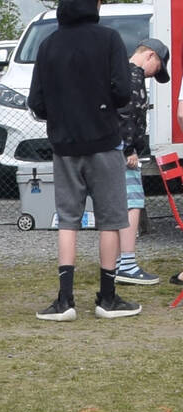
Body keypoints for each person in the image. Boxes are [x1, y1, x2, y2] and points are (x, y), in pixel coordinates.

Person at [27, 0, 139, 320]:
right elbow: (122, 92)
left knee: (68, 219)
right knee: (111, 219)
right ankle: (107, 298)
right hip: (104, 140)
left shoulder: (48, 44)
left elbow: (36, 101)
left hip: (64, 143)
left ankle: (65, 301)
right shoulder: (109, 40)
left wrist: (60, 116)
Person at [115, 38, 169, 286]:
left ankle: (116, 262)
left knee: (115, 206)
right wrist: (130, 150)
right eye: (157, 68)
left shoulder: (117, 72)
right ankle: (126, 263)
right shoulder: (134, 78)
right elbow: (127, 115)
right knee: (132, 203)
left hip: (107, 149)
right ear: (149, 56)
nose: (153, 75)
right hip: (124, 152)